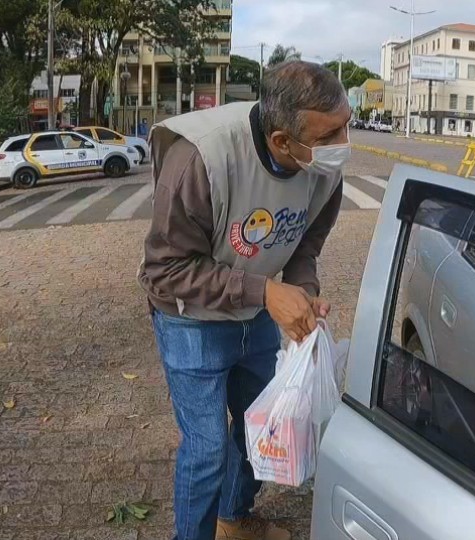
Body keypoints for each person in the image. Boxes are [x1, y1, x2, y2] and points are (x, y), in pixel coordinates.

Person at [138, 61, 349, 540]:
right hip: (189, 319)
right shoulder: (201, 160)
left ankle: (233, 517)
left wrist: (303, 293)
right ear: (281, 141)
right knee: (207, 449)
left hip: (256, 316)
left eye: (346, 126)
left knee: (262, 425)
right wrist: (266, 291)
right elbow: (166, 270)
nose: (344, 144)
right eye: (329, 135)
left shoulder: (325, 170)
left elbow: (306, 244)